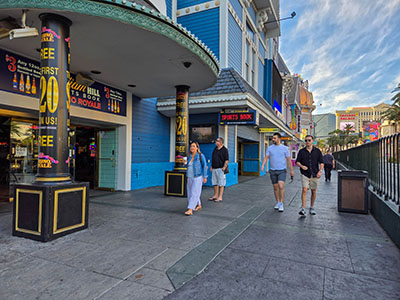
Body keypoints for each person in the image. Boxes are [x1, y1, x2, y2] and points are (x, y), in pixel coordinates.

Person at [261, 132, 294, 212]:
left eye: (274, 138)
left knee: (281, 185)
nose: (273, 139)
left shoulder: (285, 148)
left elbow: (289, 160)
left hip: (282, 170)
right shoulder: (270, 148)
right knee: (275, 187)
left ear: (279, 139)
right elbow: (266, 157)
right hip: (273, 170)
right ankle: (278, 202)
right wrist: (263, 165)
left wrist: (291, 171)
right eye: (273, 138)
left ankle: (281, 203)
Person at [295, 135, 324, 217]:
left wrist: (320, 171)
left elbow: (321, 162)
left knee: (313, 191)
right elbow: (297, 162)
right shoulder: (301, 151)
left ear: (312, 141)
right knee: (304, 189)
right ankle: (303, 208)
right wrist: (302, 166)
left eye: (309, 140)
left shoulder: (317, 151)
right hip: (305, 174)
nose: (307, 142)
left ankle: (312, 207)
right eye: (306, 140)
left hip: (315, 174)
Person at [185, 141, 208, 216]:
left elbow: (204, 166)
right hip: (190, 176)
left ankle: (190, 209)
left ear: (197, 148)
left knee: (194, 192)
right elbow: (187, 166)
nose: (192, 147)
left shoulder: (200, 156)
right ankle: (199, 205)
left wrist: (205, 176)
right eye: (191, 146)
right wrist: (184, 163)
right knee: (190, 192)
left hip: (198, 177)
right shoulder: (189, 156)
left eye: (194, 146)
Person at [209, 137, 229, 202]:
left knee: (221, 183)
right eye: (216, 141)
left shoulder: (224, 150)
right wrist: (211, 166)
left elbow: (226, 160)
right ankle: (215, 195)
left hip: (221, 169)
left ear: (220, 142)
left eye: (217, 141)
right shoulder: (215, 149)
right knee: (215, 183)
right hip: (214, 168)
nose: (216, 142)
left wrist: (224, 167)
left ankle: (220, 197)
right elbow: (213, 158)